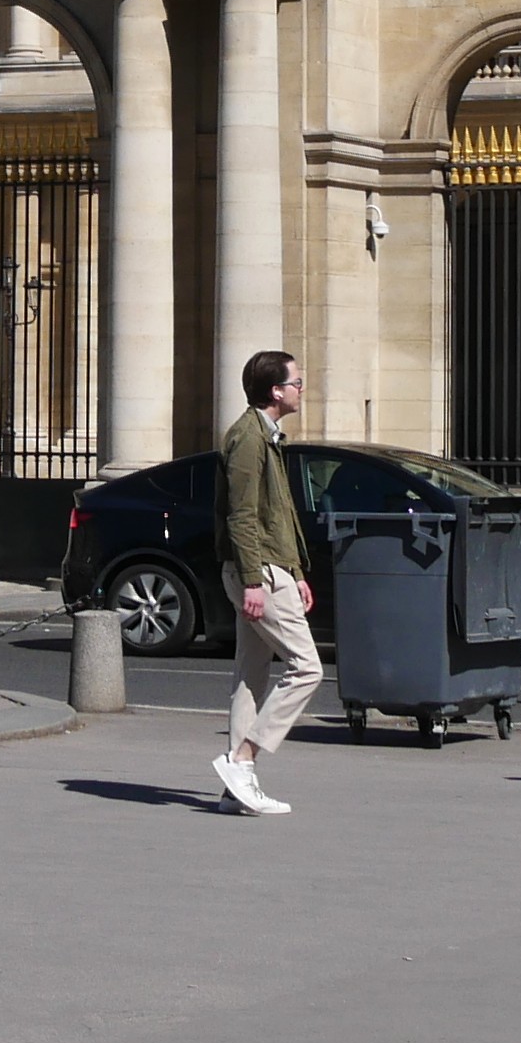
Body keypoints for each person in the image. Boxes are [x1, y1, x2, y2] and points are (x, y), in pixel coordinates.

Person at [212, 349, 318, 816]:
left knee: (251, 674)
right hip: (259, 571)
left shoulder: (266, 435)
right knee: (307, 668)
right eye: (296, 383)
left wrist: (297, 571)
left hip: (274, 568)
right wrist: (254, 580)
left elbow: (277, 513)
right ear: (276, 391)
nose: (301, 389)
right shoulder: (249, 438)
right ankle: (242, 759)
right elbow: (241, 516)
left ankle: (235, 789)